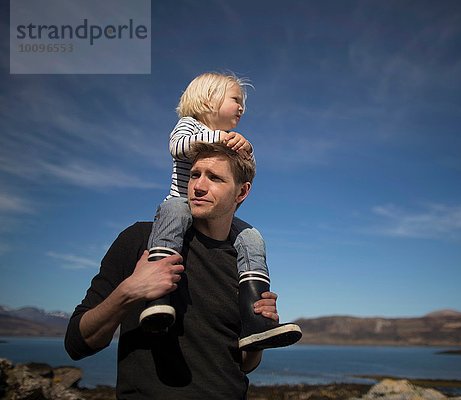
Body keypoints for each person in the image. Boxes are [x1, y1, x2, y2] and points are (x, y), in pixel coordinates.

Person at [64, 142, 299, 399]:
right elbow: (77, 343)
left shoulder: (245, 265)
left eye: (215, 178)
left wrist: (257, 338)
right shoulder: (140, 240)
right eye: (195, 174)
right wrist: (129, 291)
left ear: (241, 193)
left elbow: (241, 364)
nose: (198, 186)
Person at [140, 72, 301, 351]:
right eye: (236, 99)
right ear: (208, 99)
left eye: (242, 105)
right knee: (174, 211)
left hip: (212, 215)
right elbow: (176, 147)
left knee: (251, 236)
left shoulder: (230, 139)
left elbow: (239, 178)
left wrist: (244, 151)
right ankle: (158, 299)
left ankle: (255, 320)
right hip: (181, 203)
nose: (241, 108)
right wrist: (222, 137)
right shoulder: (187, 126)